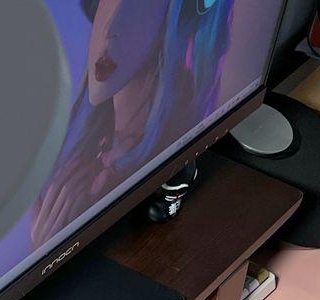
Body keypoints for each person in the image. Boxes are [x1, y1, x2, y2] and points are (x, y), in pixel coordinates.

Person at [30, 0, 234, 248]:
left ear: (175, 18)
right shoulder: (82, 148)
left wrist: (51, 248)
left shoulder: (177, 140)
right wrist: (46, 252)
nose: (110, 29)